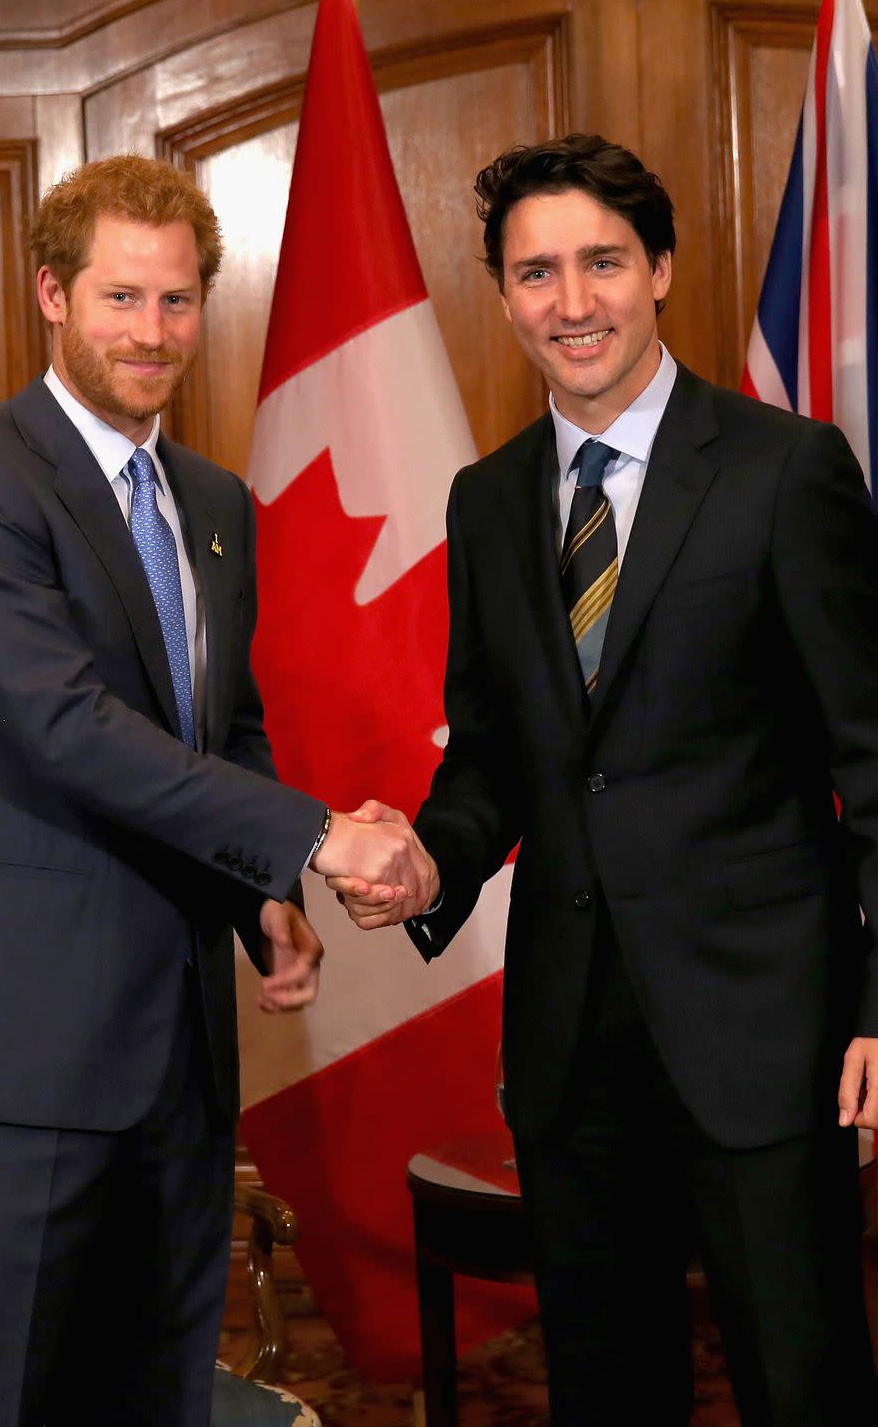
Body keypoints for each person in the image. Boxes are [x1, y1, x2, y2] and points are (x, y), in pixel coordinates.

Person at [332, 134, 878, 1424]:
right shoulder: (486, 499)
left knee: (804, 1389)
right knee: (605, 1394)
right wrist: (428, 857)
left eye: (601, 264)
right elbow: (497, 762)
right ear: (505, 294)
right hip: (574, 1055)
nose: (571, 304)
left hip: (766, 1037)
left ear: (662, 271)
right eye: (536, 273)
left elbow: (873, 756)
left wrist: (877, 1006)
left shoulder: (784, 471)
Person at [0, 154, 431, 1427]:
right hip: (22, 1056)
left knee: (154, 1397)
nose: (153, 333)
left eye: (180, 301)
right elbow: (69, 726)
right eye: (121, 299)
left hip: (183, 1059)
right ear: (51, 294)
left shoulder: (212, 501)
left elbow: (221, 729)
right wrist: (315, 837)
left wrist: (262, 896)